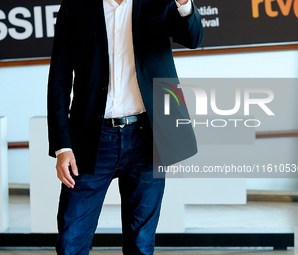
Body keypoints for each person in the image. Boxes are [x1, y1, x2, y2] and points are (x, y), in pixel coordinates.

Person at [47, 0, 203, 254]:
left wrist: (184, 3)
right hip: (91, 139)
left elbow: (194, 38)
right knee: (70, 242)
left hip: (147, 138)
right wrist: (62, 146)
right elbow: (59, 78)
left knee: (140, 245)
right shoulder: (76, 6)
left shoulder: (160, 2)